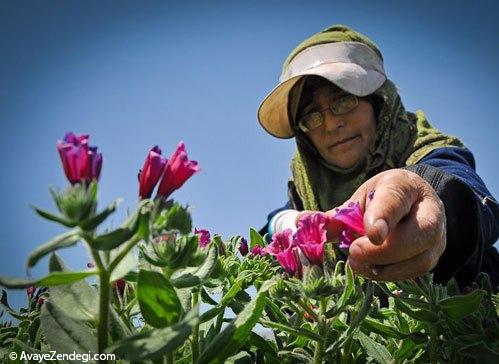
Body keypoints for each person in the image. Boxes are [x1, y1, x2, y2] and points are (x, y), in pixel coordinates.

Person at [257, 24, 499, 288]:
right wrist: (283, 223)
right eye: (311, 116)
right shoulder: (305, 191)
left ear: (379, 102)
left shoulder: (432, 149)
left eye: (344, 101)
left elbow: (455, 184)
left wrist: (429, 198)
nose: (330, 124)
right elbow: (273, 225)